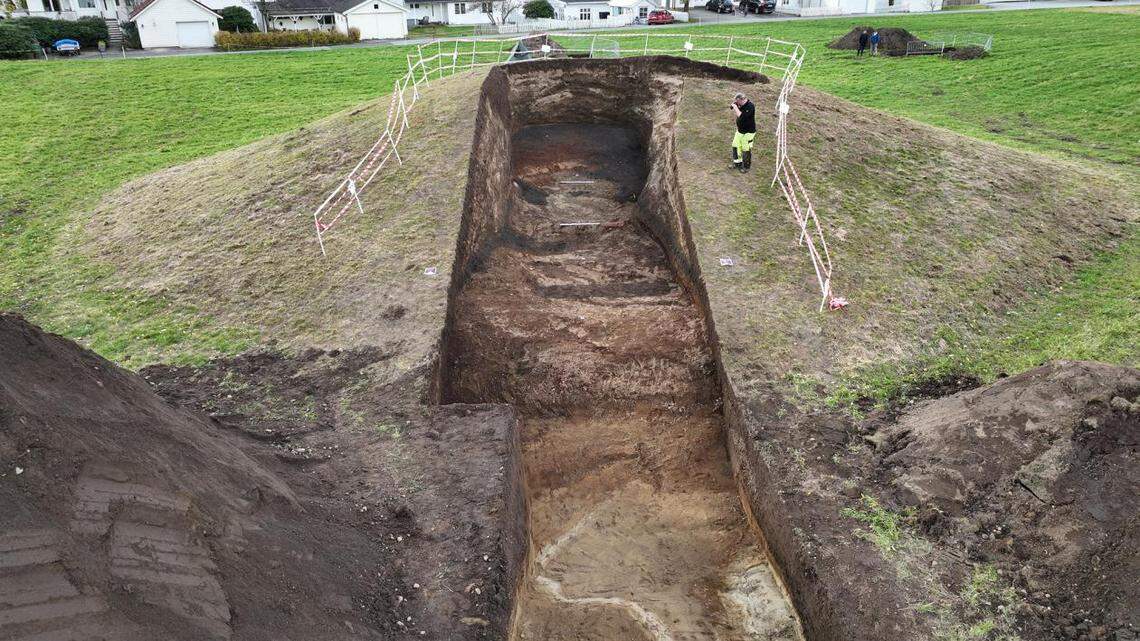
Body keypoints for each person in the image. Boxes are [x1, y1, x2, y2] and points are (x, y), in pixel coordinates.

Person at [730, 93, 756, 173]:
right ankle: (737, 163)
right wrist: (735, 105)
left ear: (741, 99)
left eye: (737, 101)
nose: (737, 103)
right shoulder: (740, 104)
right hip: (740, 130)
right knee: (735, 145)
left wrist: (735, 107)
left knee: (745, 148)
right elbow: (734, 107)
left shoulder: (750, 106)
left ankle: (746, 167)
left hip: (749, 132)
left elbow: (741, 116)